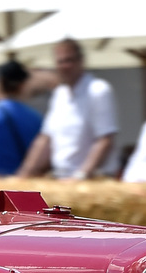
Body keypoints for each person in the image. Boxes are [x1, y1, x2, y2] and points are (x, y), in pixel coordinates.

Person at [20, 39, 117, 179]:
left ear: (81, 61)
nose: (65, 66)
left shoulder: (98, 90)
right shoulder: (60, 94)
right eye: (60, 62)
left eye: (69, 60)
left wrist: (81, 175)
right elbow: (46, 139)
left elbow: (105, 140)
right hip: (63, 177)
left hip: (92, 180)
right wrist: (24, 174)